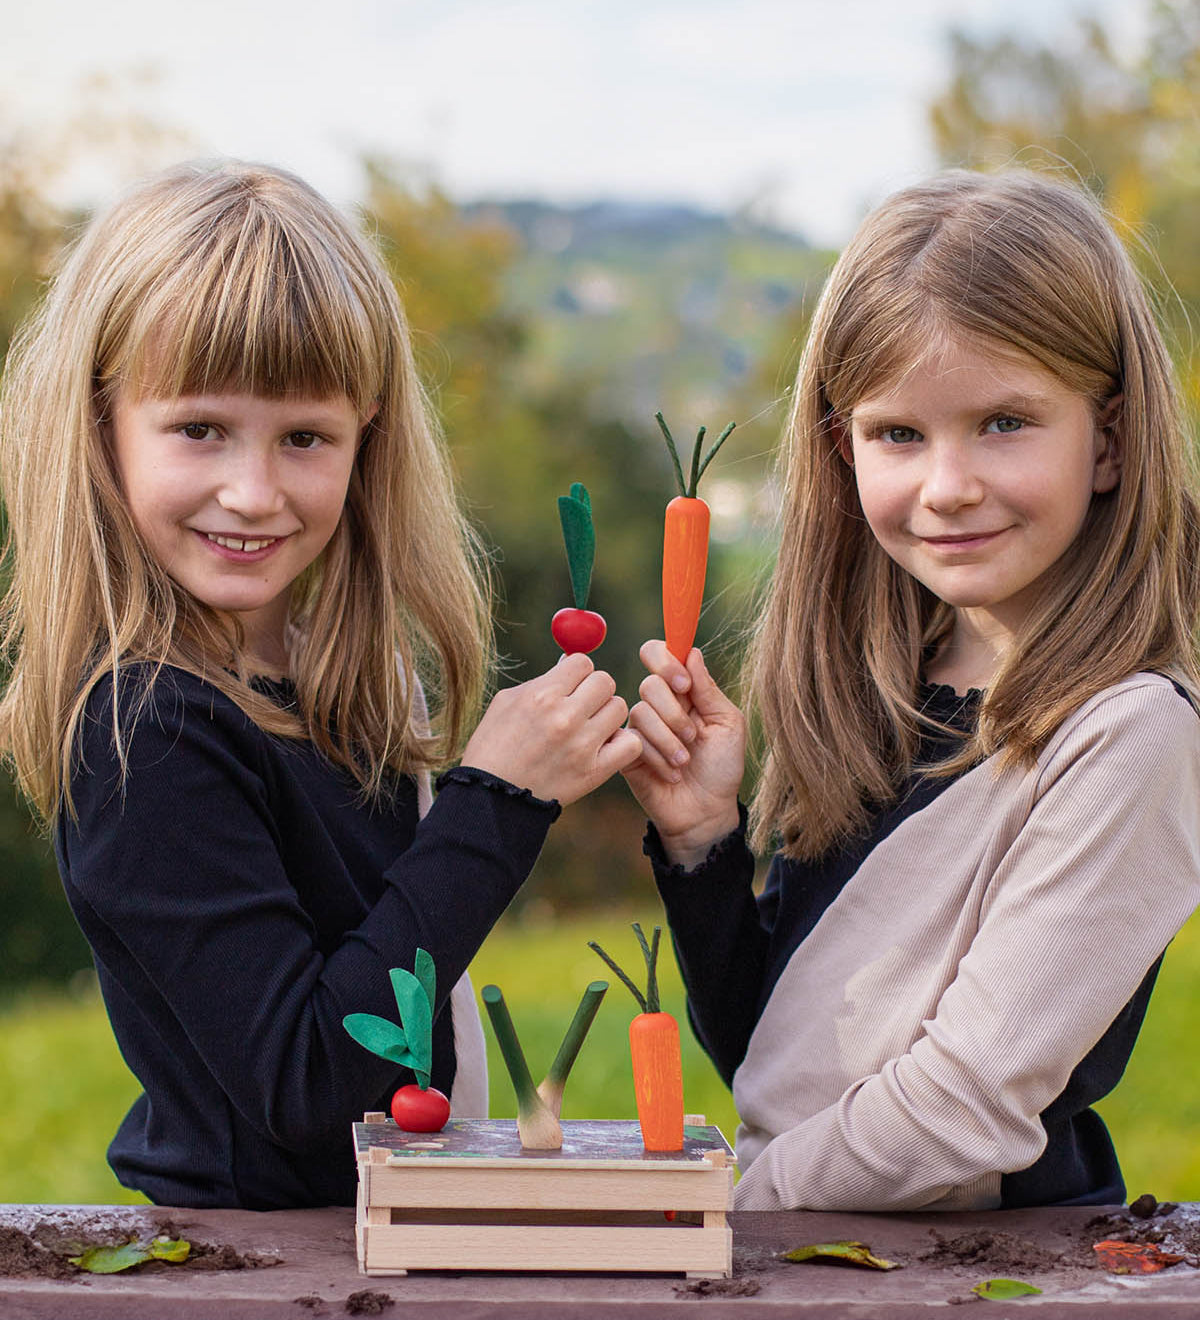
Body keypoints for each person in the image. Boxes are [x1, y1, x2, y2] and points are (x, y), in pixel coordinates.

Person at [0, 160, 640, 1210]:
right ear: (102, 424)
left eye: (305, 438)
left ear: (367, 440)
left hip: (374, 1240)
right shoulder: (143, 728)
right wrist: (498, 804)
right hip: (256, 1268)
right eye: (200, 428)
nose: (252, 493)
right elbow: (308, 1082)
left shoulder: (340, 677)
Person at [624, 169, 1200, 1212]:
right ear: (840, 450)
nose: (948, 485)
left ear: (1109, 440)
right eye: (900, 434)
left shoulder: (1129, 732)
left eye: (1004, 423)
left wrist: (721, 1212)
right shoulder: (882, 691)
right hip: (832, 1257)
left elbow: (962, 1108)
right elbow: (781, 1067)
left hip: (977, 1272)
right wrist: (704, 842)